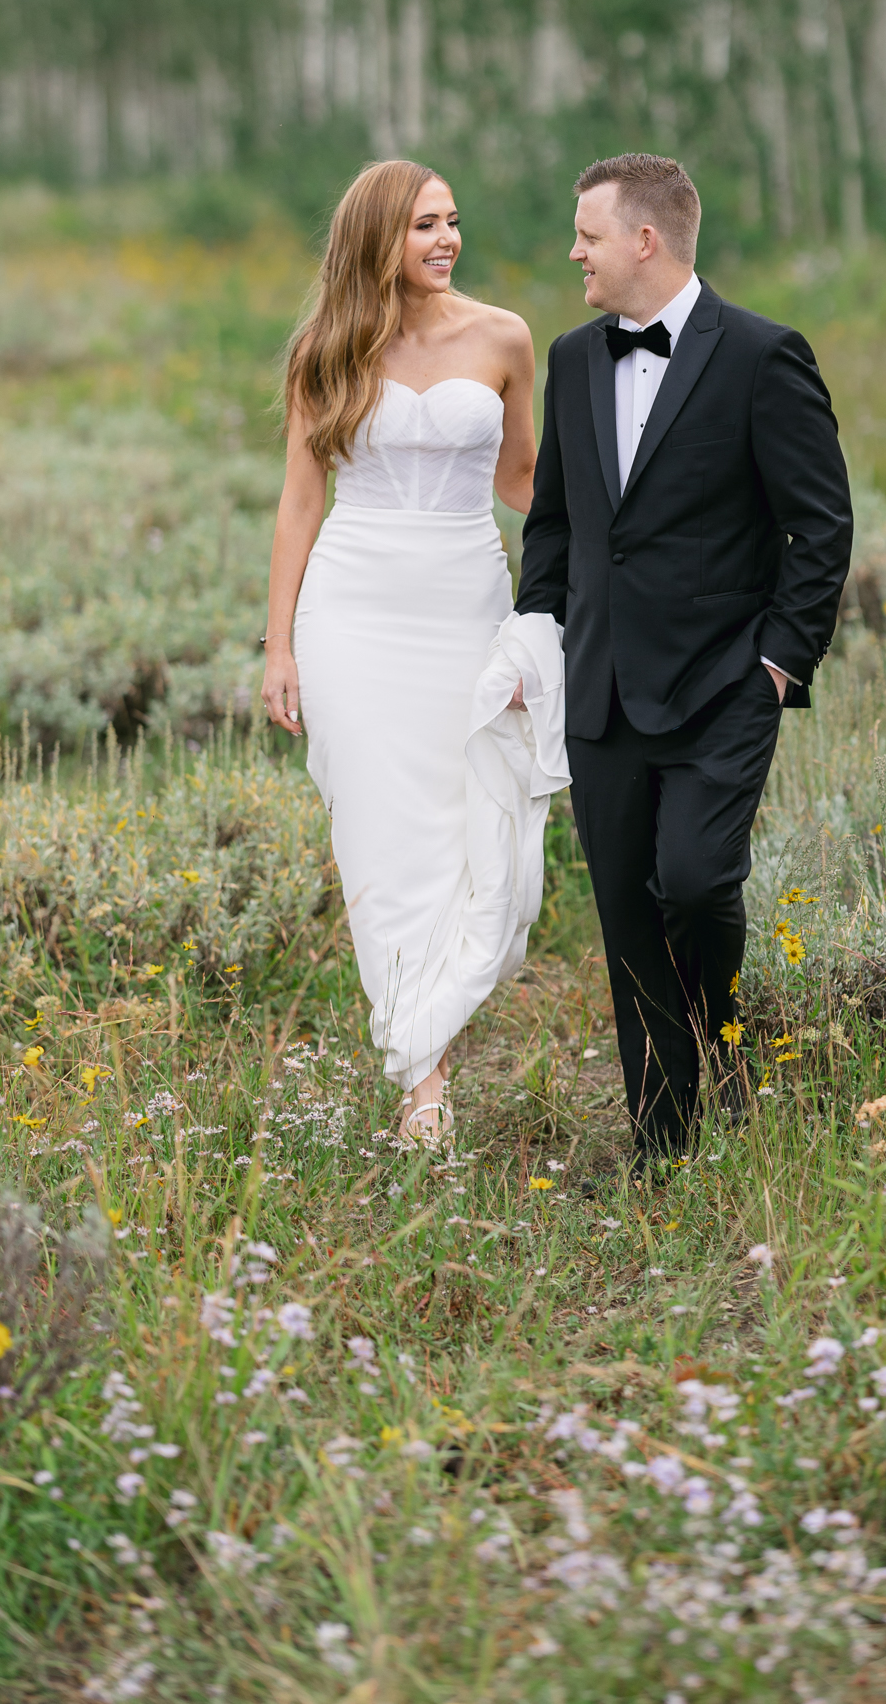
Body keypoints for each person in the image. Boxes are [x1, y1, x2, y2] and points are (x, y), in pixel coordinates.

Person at [515, 153, 854, 1169]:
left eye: (586, 233)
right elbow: (557, 523)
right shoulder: (573, 359)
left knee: (697, 883)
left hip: (721, 688)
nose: (572, 250)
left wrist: (778, 665)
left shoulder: (761, 355)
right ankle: (663, 1148)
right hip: (603, 691)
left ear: (643, 240)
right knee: (627, 921)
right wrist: (539, 635)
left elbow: (820, 526)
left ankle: (724, 1037)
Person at [261, 160, 563, 1149]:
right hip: (350, 611)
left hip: (464, 602)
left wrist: (624, 532)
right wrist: (280, 645)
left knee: (470, 822)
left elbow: (523, 477)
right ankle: (422, 1081)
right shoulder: (328, 348)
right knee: (382, 839)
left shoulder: (504, 336)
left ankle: (434, 1024)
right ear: (375, 238)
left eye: (452, 221)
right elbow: (301, 502)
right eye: (424, 225)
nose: (446, 239)